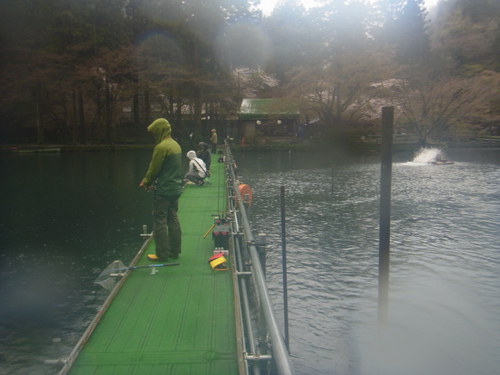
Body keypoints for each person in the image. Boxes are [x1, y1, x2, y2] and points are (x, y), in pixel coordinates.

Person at [139, 118, 183, 261]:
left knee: (160, 221)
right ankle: (174, 250)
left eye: (154, 132)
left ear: (159, 131)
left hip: (164, 190)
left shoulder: (161, 147)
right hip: (175, 188)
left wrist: (147, 181)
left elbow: (154, 168)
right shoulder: (176, 145)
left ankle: (161, 253)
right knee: (173, 218)